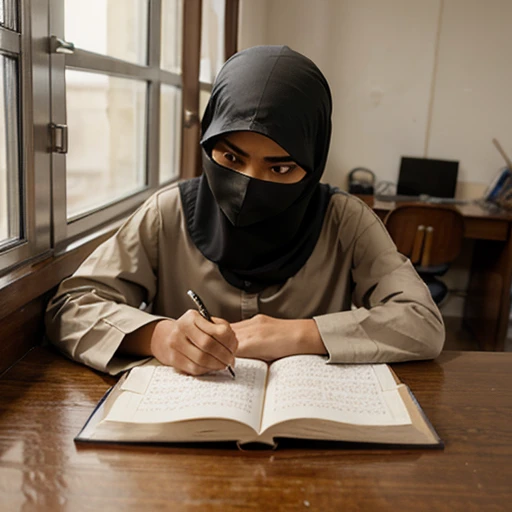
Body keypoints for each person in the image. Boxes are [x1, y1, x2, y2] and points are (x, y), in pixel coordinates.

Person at [45, 45, 444, 376]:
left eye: (280, 167)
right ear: (208, 141)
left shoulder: (346, 221)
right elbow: (70, 308)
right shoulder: (169, 214)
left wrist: (299, 335)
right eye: (232, 158)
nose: (249, 184)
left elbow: (422, 323)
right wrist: (157, 337)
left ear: (314, 159)